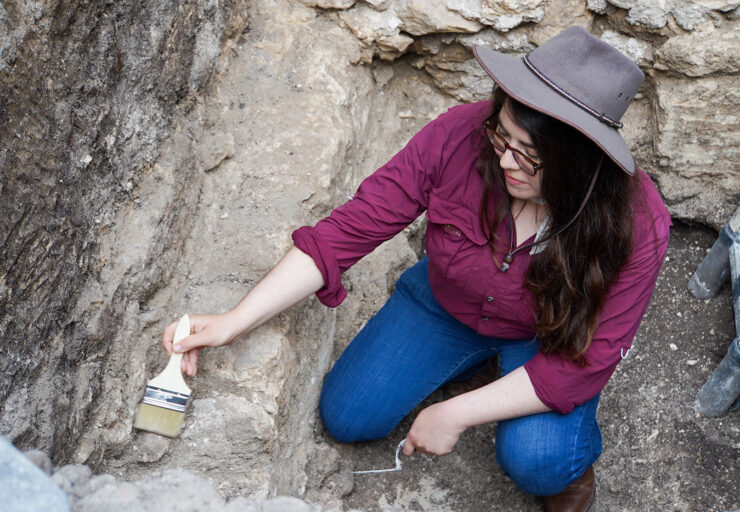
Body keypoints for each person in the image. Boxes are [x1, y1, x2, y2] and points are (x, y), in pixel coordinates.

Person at [162, 26, 672, 512]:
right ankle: (470, 362)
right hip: (446, 304)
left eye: (531, 157)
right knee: (348, 416)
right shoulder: (458, 135)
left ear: (581, 163)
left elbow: (585, 362)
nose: (505, 163)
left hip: (551, 338)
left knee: (537, 462)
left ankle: (568, 468)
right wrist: (235, 320)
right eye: (502, 136)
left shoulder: (638, 223)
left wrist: (454, 413)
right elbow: (348, 230)